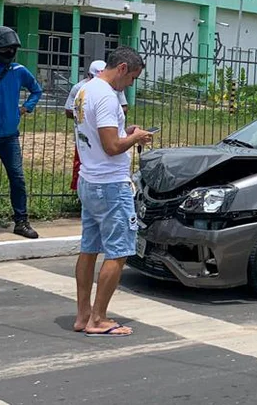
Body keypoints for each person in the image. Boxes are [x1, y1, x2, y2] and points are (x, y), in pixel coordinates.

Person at [73, 46, 153, 337]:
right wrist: (136, 137)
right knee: (118, 253)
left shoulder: (86, 90)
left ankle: (83, 315)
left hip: (89, 180)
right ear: (121, 68)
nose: (130, 84)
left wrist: (124, 130)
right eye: (131, 77)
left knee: (89, 248)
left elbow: (97, 133)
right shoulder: (107, 96)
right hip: (109, 184)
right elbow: (111, 147)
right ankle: (99, 319)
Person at [0, 26, 43, 239]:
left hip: (10, 136)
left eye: (12, 48)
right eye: (5, 48)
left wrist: (26, 107)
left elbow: (36, 89)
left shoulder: (18, 70)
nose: (9, 52)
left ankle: (21, 221)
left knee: (18, 178)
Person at [66, 60, 129, 191]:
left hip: (93, 178)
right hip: (106, 179)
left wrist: (107, 116)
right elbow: (112, 147)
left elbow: (124, 107)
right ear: (89, 75)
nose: (131, 83)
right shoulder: (88, 90)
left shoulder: (115, 87)